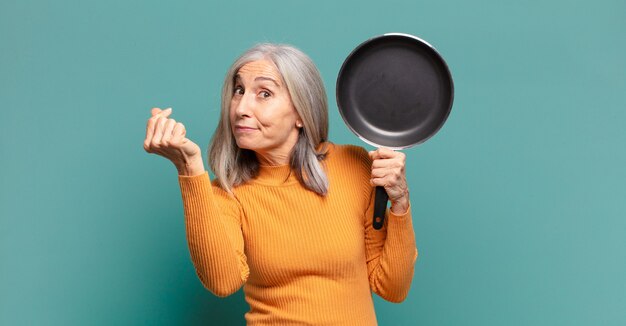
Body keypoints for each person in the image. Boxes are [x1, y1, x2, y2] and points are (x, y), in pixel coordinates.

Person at [143, 43, 418, 325]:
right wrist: (189, 168)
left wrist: (400, 203)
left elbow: (392, 288)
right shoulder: (229, 193)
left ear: (301, 112)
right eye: (239, 91)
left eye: (264, 94)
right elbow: (223, 283)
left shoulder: (354, 165)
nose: (241, 108)